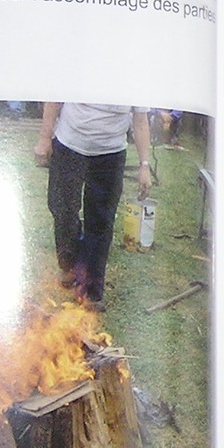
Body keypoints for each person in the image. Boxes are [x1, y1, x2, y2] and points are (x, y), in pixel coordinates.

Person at [34, 102, 152, 307]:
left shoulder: (136, 77)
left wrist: (144, 165)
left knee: (100, 221)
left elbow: (140, 122)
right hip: (69, 145)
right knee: (62, 210)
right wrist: (45, 139)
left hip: (110, 154)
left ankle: (90, 291)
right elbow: (54, 99)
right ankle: (70, 263)